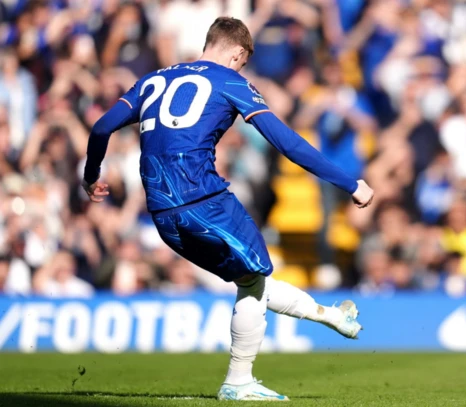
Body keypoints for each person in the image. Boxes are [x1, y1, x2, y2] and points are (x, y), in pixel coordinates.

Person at [81, 17, 373, 401]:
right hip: (204, 199)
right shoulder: (230, 80)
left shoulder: (151, 81)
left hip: (162, 213)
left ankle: (331, 315)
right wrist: (350, 183)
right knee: (254, 277)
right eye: (243, 62)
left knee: (250, 279)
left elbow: (101, 127)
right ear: (237, 53)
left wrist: (91, 175)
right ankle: (238, 381)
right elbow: (285, 142)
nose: (242, 68)